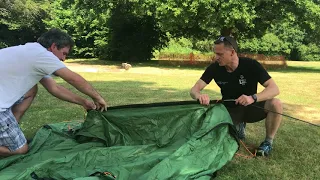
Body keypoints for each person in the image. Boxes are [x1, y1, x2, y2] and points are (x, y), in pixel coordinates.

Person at [0, 28, 107, 157]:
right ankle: (9, 139)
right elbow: (73, 78)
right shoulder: (42, 56)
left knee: (31, 90)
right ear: (53, 46)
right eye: (64, 53)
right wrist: (97, 97)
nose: (63, 58)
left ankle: (9, 130)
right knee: (20, 150)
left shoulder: (30, 51)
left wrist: (83, 101)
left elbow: (54, 88)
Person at [190, 36, 282, 156]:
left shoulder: (251, 65)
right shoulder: (214, 68)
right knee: (216, 139)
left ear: (232, 52)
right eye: (215, 53)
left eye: (220, 54)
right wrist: (199, 96)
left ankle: (268, 142)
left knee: (276, 104)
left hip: (252, 108)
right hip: (230, 111)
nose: (216, 57)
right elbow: (194, 90)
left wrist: (252, 98)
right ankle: (238, 127)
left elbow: (274, 89)